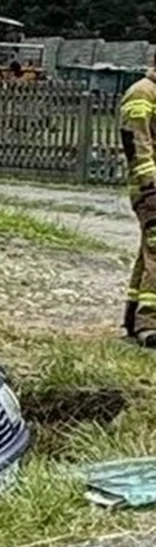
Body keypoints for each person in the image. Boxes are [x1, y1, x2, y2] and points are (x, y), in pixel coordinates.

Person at [120, 68, 156, 346]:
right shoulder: (142, 93)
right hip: (150, 190)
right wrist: (150, 183)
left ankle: (133, 317)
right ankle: (150, 324)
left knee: (149, 252)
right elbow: (137, 143)